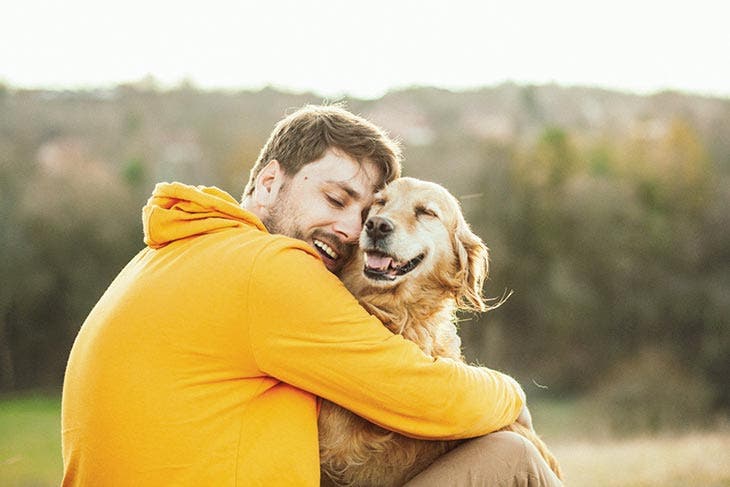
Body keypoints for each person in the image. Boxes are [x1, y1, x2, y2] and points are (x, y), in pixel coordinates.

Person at [61, 104, 560, 486]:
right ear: (269, 181)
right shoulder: (269, 267)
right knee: (515, 458)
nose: (352, 228)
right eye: (336, 199)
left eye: (362, 212)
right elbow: (423, 396)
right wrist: (512, 395)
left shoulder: (174, 252)